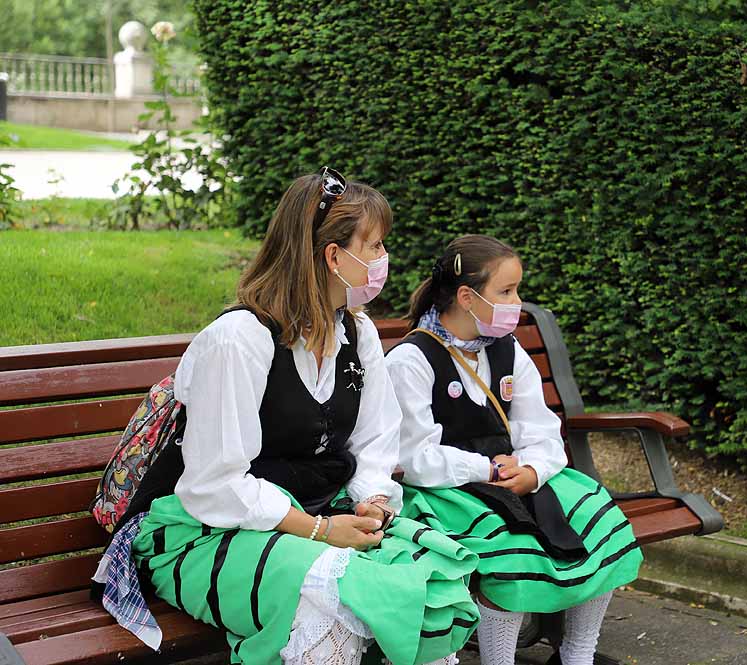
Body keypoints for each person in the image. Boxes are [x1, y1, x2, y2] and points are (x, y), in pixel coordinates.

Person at [93, 170, 478, 665]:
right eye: (376, 246)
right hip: (201, 529)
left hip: (314, 509)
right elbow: (215, 485)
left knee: (429, 569)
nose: (385, 260)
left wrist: (371, 503)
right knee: (330, 594)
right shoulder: (240, 340)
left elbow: (375, 442)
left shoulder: (356, 335)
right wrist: (320, 531)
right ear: (334, 257)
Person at [385, 235, 642, 665]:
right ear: (467, 297)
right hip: (447, 487)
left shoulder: (506, 348)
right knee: (510, 542)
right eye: (506, 292)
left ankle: (577, 655)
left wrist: (532, 470)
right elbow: (414, 457)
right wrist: (487, 470)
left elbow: (541, 428)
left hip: (510, 475)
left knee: (596, 516)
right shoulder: (412, 360)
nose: (517, 302)